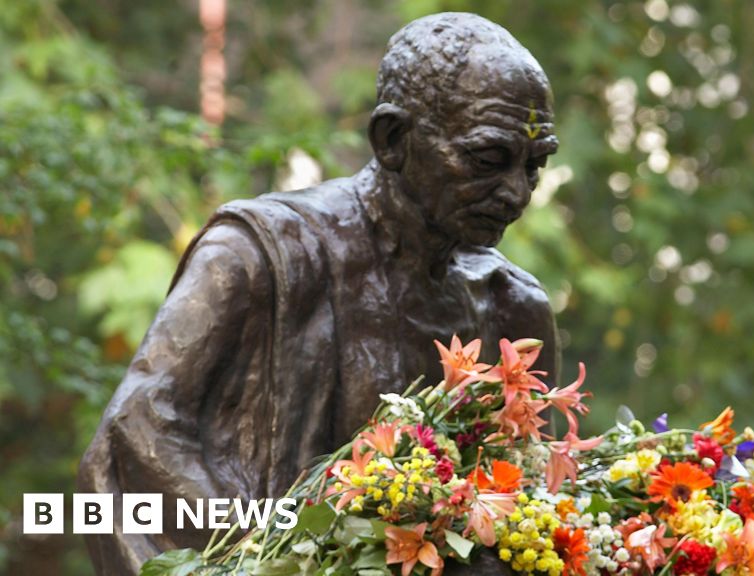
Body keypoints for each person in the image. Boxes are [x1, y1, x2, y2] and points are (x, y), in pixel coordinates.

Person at [78, 12, 560, 574]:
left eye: (536, 165)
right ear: (393, 139)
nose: (516, 193)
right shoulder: (256, 258)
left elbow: (533, 506)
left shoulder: (514, 309)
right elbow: (133, 440)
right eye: (487, 159)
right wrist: (279, 556)